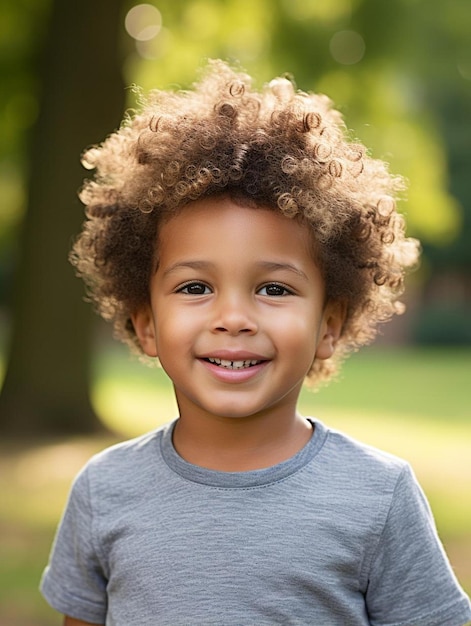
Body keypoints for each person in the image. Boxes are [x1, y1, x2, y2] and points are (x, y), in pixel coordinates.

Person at [40, 60, 471, 626]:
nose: (234, 317)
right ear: (146, 323)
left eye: (273, 288)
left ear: (329, 324)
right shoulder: (104, 490)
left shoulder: (379, 496)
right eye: (195, 287)